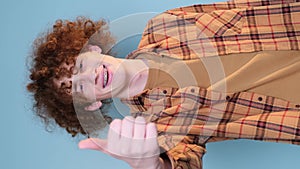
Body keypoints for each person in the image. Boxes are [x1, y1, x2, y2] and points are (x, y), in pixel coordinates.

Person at [27, 0, 300, 168]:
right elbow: (184, 161)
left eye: (80, 66)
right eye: (79, 87)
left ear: (94, 49)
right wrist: (149, 165)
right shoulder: (155, 127)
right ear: (93, 104)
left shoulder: (164, 25)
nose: (90, 76)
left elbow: (244, 7)